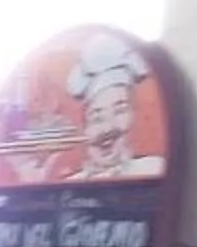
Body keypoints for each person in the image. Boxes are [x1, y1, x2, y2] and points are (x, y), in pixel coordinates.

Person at [64, 33, 163, 180]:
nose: (108, 128)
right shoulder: (72, 184)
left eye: (119, 111)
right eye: (97, 118)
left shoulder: (153, 169)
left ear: (133, 115)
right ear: (83, 127)